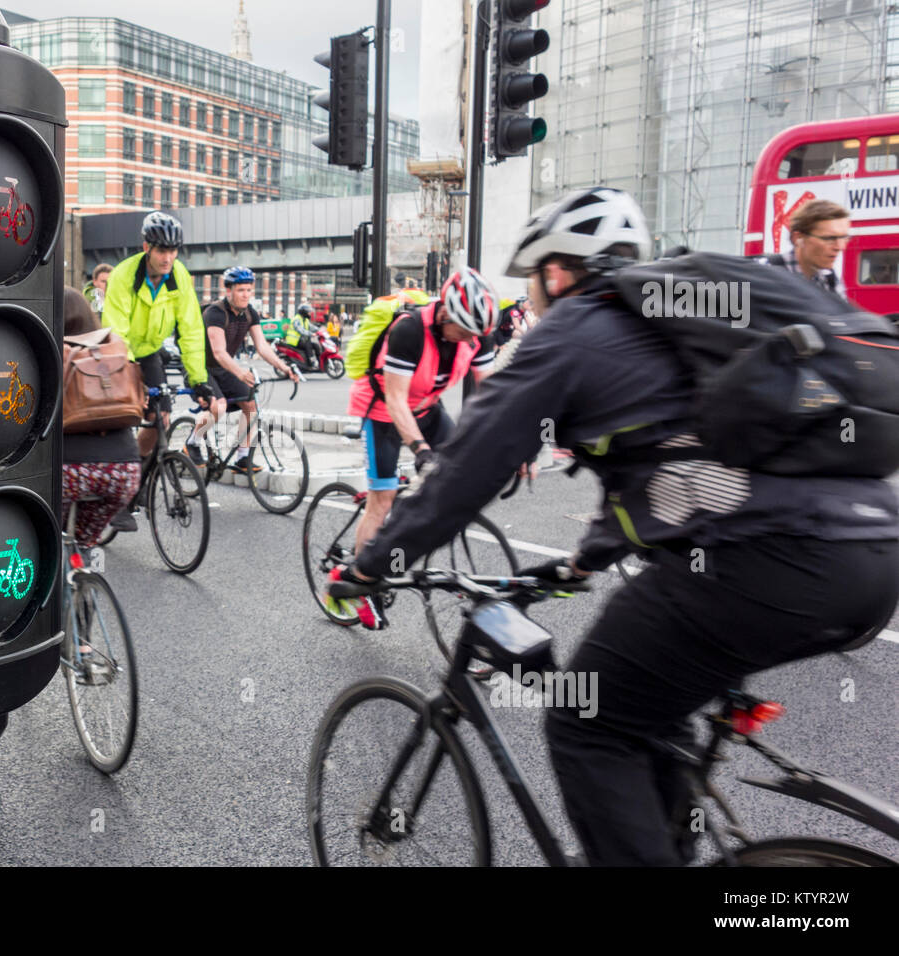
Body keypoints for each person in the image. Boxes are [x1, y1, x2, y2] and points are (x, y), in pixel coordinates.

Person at [333, 186, 899, 866]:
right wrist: (579, 564)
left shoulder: (577, 329)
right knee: (650, 707)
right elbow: (668, 465)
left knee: (587, 722)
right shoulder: (677, 320)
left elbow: (463, 472)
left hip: (764, 563)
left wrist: (369, 566)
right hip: (872, 556)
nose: (534, 304)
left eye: (536, 283)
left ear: (558, 271)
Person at [347, 270, 498, 558]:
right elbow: (395, 400)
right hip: (383, 412)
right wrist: (421, 451)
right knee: (383, 499)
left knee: (456, 475)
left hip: (428, 408)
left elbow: (490, 394)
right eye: (464, 332)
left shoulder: (477, 337)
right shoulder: (410, 332)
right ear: (444, 316)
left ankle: (408, 533)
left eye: (475, 335)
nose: (469, 340)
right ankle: (356, 582)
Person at [100, 211, 211, 467]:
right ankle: (116, 470)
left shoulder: (179, 276)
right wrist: (130, 376)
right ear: (146, 247)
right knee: (123, 415)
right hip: (119, 354)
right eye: (162, 250)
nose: (168, 257)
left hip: (149, 352)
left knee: (161, 418)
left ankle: (138, 477)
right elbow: (116, 331)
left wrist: (198, 380)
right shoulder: (123, 275)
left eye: (173, 250)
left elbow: (191, 330)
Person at [182, 267, 298, 472]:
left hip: (224, 369)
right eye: (241, 290)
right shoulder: (215, 313)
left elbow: (262, 347)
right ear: (229, 291)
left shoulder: (250, 313)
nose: (246, 295)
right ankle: (191, 443)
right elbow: (218, 352)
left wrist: (284, 368)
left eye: (249, 290)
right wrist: (241, 373)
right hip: (201, 367)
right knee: (219, 407)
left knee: (250, 405)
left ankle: (243, 458)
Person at [61, 286, 142, 545]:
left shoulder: (52, 351)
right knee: (83, 542)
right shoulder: (113, 347)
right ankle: (83, 569)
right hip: (124, 472)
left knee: (47, 539)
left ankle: (60, 572)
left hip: (68, 471)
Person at [758, 198, 851, 299]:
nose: (840, 247)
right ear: (798, 238)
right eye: (828, 238)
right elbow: (741, 313)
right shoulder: (762, 275)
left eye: (844, 238)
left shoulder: (830, 281)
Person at [282, 303, 320, 370]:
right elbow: (300, 330)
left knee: (316, 345)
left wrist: (319, 330)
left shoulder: (305, 320)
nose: (310, 313)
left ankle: (319, 362)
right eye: (308, 312)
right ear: (304, 312)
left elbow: (311, 327)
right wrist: (311, 334)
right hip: (294, 341)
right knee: (308, 344)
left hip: (300, 340)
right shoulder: (296, 319)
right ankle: (311, 363)